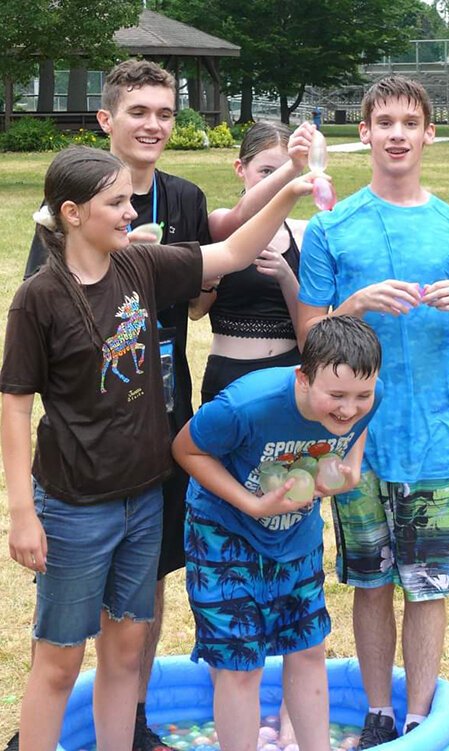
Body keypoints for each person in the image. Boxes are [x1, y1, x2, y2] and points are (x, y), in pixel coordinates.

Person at [0, 145, 315, 751]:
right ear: (71, 212)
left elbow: (233, 252)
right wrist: (22, 513)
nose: (129, 213)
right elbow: (15, 405)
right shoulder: (38, 297)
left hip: (144, 498)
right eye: (115, 203)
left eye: (128, 200)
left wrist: (288, 192)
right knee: (61, 662)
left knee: (124, 651)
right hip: (74, 506)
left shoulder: (140, 267)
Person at [19, 59, 212, 751]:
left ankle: (127, 724)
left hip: (158, 422)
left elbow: (202, 287)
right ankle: (41, 730)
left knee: (147, 582)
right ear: (106, 120)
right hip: (86, 443)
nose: (153, 124)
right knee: (66, 625)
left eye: (165, 112)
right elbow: (42, 333)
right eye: (138, 111)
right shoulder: (69, 200)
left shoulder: (184, 197)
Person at [297, 75, 449, 748]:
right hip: (356, 443)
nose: (398, 133)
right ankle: (379, 710)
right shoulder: (332, 228)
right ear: (366, 133)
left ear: (429, 133)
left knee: (429, 585)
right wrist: (353, 307)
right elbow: (311, 335)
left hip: (432, 439)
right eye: (385, 122)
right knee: (371, 579)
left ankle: (418, 716)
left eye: (411, 122)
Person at [172, 315, 384, 751]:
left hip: (296, 536)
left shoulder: (369, 400)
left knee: (308, 650)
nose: (349, 408)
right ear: (303, 378)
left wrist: (351, 469)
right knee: (240, 665)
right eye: (337, 395)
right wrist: (252, 504)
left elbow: (358, 427)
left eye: (361, 395)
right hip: (223, 532)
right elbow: (185, 448)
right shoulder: (247, 405)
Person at [189, 120, 315, 405]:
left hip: (290, 375)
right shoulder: (221, 225)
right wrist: (292, 169)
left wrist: (286, 276)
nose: (277, 182)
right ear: (240, 169)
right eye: (267, 172)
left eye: (284, 173)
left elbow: (310, 330)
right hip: (231, 376)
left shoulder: (304, 234)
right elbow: (196, 311)